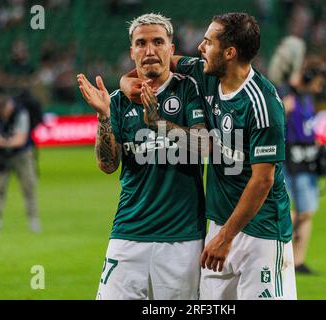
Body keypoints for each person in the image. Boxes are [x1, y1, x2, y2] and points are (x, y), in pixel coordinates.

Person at [121, 12, 297, 300]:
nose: (200, 48)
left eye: (207, 42)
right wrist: (127, 81)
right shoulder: (206, 76)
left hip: (260, 232)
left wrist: (225, 238)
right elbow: (160, 62)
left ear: (229, 53)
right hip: (218, 225)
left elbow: (262, 181)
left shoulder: (263, 104)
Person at [77, 13, 208, 300]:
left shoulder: (189, 89)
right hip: (128, 234)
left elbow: (203, 147)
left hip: (182, 240)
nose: (150, 50)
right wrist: (104, 117)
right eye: (142, 43)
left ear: (171, 49)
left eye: (158, 42)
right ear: (132, 51)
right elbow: (108, 165)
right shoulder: (117, 101)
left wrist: (157, 122)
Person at [278, 57, 326, 274]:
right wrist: (282, 109)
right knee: (283, 210)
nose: (320, 87)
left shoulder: (307, 99)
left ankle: (298, 261)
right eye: (318, 81)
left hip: (305, 159)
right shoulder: (285, 95)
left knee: (307, 212)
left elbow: (307, 127)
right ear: (308, 77)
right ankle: (283, 257)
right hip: (287, 159)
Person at [0, 93, 40, 233]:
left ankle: (33, 220)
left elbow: (21, 139)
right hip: (1, 156)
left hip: (22, 155)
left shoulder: (21, 112)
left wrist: (3, 142)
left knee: (28, 186)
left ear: (9, 107)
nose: (2, 116)